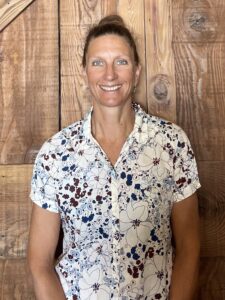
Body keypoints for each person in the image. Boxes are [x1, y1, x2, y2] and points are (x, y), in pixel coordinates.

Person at [28, 14, 201, 300]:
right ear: (85, 72)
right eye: (98, 63)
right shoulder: (55, 154)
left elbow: (190, 247)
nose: (110, 74)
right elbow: (39, 262)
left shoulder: (171, 143)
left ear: (136, 71)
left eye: (121, 61)